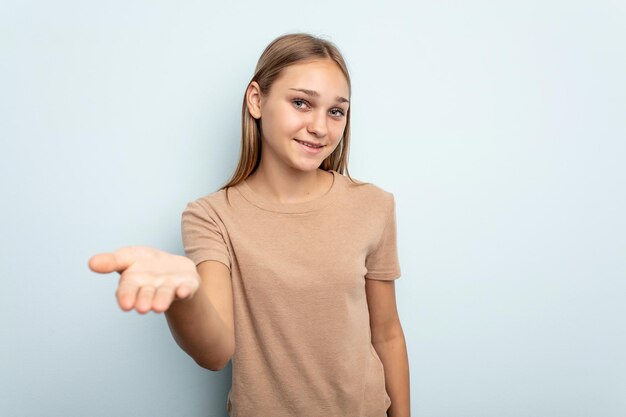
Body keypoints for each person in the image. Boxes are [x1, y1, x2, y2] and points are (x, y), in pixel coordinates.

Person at [89, 32, 410, 417]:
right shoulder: (211, 216)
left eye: (336, 111)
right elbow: (215, 352)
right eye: (301, 103)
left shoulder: (373, 205)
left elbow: (387, 332)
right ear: (257, 100)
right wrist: (185, 295)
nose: (320, 127)